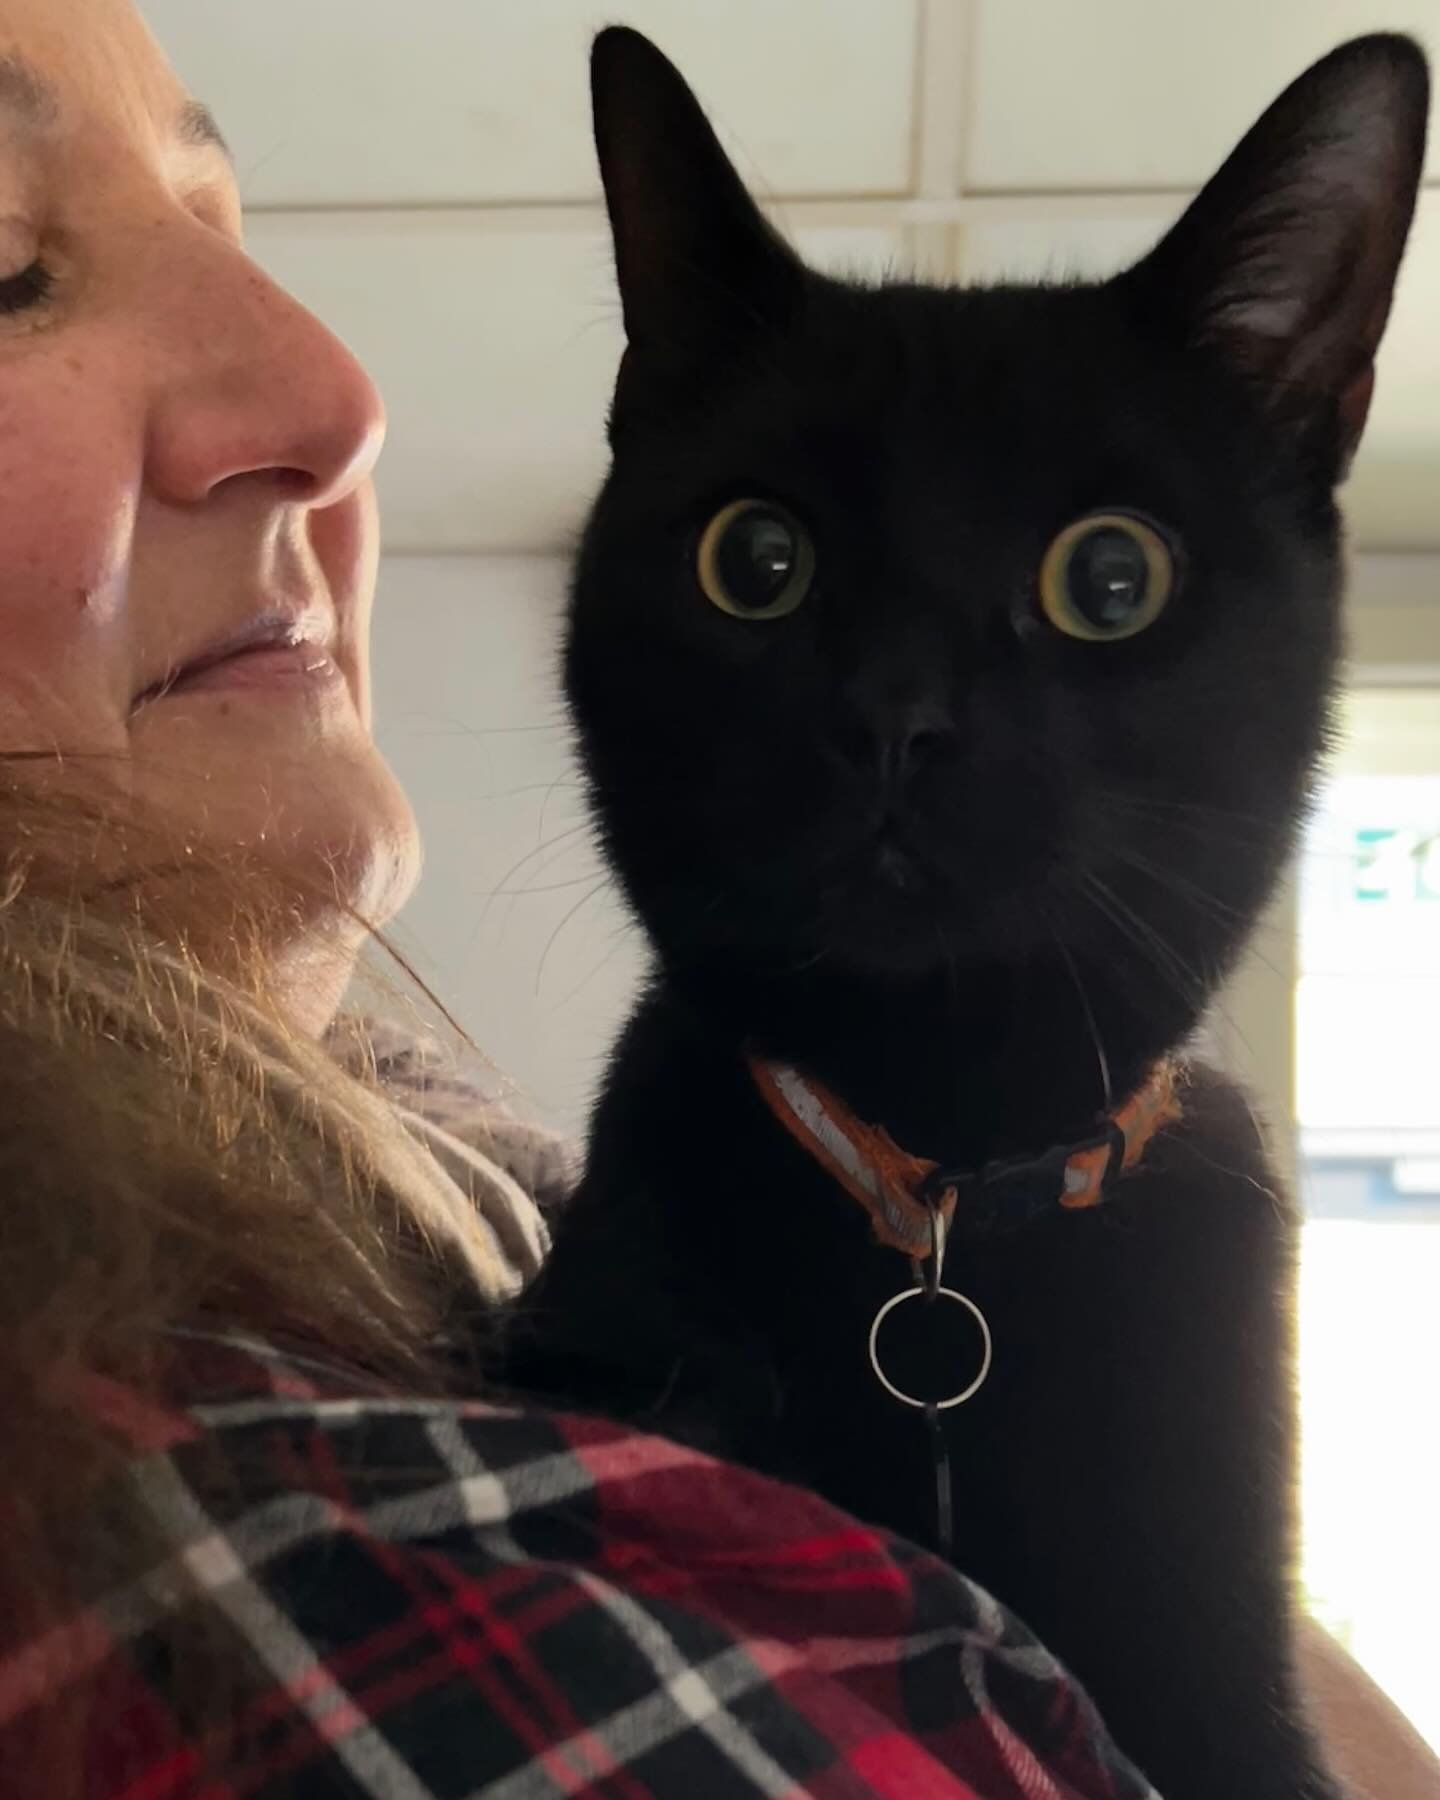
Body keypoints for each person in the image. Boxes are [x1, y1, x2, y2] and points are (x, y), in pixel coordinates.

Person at [0, 1, 1433, 1795]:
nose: (339, 397)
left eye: (1107, 580)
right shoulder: (247, 1543)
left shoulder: (426, 1148)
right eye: (6, 264)